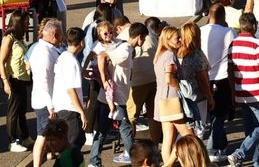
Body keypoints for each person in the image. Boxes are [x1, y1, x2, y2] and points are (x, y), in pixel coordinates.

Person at [88, 22, 147, 167]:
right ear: (139, 37)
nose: (144, 41)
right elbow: (102, 57)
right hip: (116, 96)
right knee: (125, 128)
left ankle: (94, 161)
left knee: (102, 129)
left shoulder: (122, 46)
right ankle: (137, 161)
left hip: (108, 96)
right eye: (144, 38)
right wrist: (103, 79)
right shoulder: (125, 49)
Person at [227, 13, 259, 167]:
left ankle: (258, 162)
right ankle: (239, 154)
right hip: (257, 93)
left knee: (250, 130)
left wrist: (233, 91)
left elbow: (230, 71)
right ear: (255, 26)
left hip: (241, 92)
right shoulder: (257, 45)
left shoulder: (233, 45)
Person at [200, 4, 236, 162]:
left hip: (203, 78)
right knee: (219, 116)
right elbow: (233, 58)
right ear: (223, 17)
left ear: (209, 14)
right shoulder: (229, 32)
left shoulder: (200, 31)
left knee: (211, 116)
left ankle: (221, 144)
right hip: (221, 79)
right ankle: (212, 149)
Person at [154, 26, 192, 162]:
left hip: (162, 99)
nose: (180, 40)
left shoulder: (160, 55)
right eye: (177, 38)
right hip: (171, 99)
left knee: (168, 137)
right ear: (168, 40)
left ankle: (167, 164)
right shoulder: (170, 55)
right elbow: (168, 79)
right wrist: (181, 88)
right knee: (189, 135)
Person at [30, 18, 63, 167]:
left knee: (45, 135)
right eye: (61, 34)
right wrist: (51, 106)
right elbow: (43, 82)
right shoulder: (44, 53)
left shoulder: (45, 49)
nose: (62, 38)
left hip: (44, 100)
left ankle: (47, 156)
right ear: (55, 34)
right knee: (42, 136)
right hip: (45, 102)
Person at [1, 9, 33, 152]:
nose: (28, 23)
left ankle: (25, 137)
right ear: (18, 22)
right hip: (13, 79)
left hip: (22, 78)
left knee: (21, 110)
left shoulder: (19, 38)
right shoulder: (9, 38)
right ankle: (12, 141)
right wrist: (5, 81)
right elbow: (1, 62)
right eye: (25, 21)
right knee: (13, 111)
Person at [52, 27, 88, 151]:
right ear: (81, 42)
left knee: (78, 139)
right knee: (73, 141)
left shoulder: (63, 57)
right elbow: (70, 90)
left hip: (62, 106)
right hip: (69, 108)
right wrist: (82, 112)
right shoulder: (71, 62)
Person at [177, 22, 214, 132]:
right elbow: (202, 78)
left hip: (182, 94)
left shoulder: (177, 52)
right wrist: (210, 97)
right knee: (199, 129)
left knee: (186, 129)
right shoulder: (196, 54)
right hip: (197, 96)